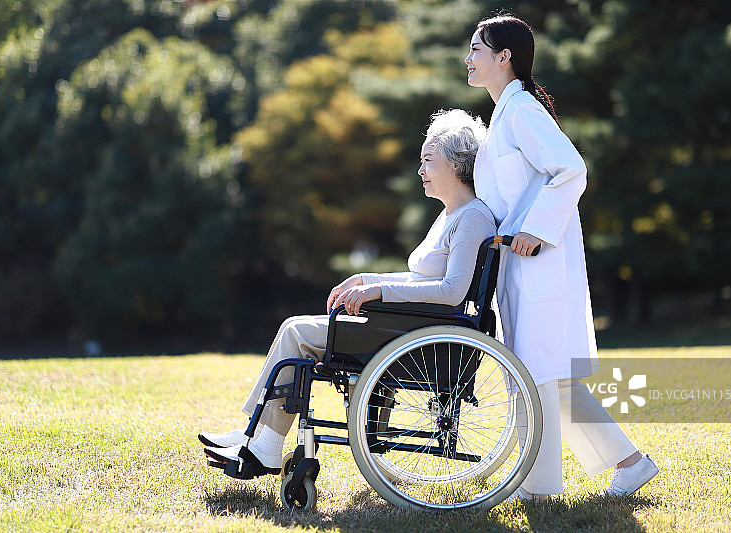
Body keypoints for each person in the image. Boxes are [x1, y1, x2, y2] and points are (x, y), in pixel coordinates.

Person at [200, 109, 496, 472]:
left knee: (296, 330)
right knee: (295, 327)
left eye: (427, 161)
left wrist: (379, 292)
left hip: (415, 335)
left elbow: (451, 292)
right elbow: (419, 278)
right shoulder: (451, 214)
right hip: (405, 327)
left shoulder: (472, 217)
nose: (420, 170)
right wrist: (366, 280)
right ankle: (256, 435)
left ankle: (265, 442)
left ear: (455, 165)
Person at [464, 14, 658, 500]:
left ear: (503, 57)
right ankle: (630, 464)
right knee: (551, 375)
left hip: (539, 258)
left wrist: (534, 230)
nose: (468, 59)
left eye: (476, 49)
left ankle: (538, 487)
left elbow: (571, 169)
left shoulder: (523, 110)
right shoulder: (504, 115)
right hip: (522, 261)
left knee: (537, 372)